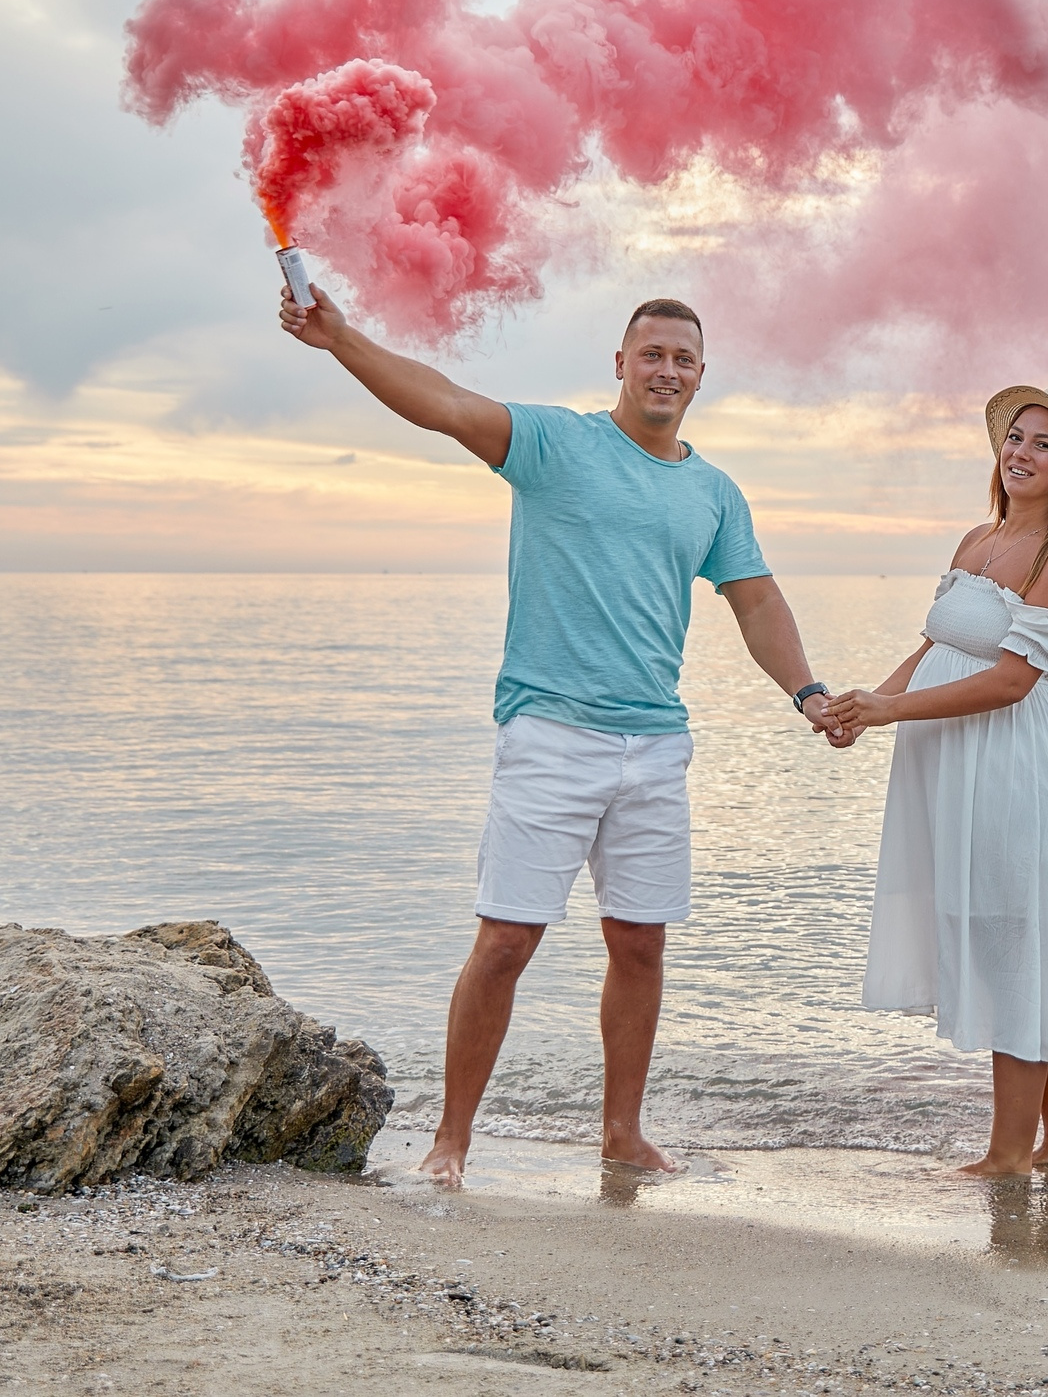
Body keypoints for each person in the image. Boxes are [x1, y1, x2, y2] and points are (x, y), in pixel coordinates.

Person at [278, 287, 850, 1183]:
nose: (666, 370)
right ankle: (450, 1142)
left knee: (640, 943)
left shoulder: (712, 492)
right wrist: (340, 339)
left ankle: (622, 1134)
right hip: (550, 733)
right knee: (506, 942)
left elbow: (757, 600)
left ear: (701, 377)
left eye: (683, 359)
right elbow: (446, 406)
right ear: (620, 364)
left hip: (656, 745)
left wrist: (807, 692)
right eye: (651, 354)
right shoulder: (555, 445)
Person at [829, 386, 1048, 1175]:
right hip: (954, 763)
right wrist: (864, 705)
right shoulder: (975, 540)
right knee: (998, 937)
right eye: (1014, 438)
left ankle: (1009, 1153)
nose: (1019, 453)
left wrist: (892, 712)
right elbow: (934, 646)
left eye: (1041, 445)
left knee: (1011, 940)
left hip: (1010, 766)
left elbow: (1012, 682)